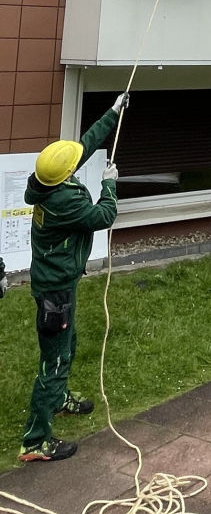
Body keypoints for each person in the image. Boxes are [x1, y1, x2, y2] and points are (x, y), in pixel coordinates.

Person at [18, 96, 128, 462]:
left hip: (60, 282)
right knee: (53, 362)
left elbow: (84, 145)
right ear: (65, 175)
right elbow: (103, 216)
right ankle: (35, 441)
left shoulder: (45, 182)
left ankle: (59, 398)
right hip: (55, 289)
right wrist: (109, 184)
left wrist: (114, 111)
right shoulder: (64, 202)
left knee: (68, 343)